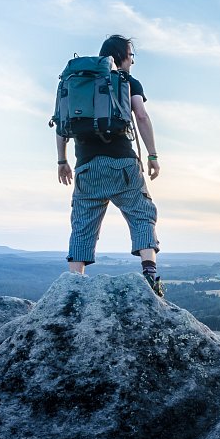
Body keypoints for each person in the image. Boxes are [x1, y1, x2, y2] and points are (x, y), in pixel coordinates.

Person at [56, 34, 163, 296]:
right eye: (132, 56)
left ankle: (74, 288)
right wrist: (152, 155)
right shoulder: (126, 81)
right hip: (122, 163)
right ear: (124, 56)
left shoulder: (75, 83)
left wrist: (62, 161)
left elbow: (60, 123)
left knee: (82, 225)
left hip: (86, 167)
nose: (132, 62)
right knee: (141, 214)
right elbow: (141, 115)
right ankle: (149, 275)